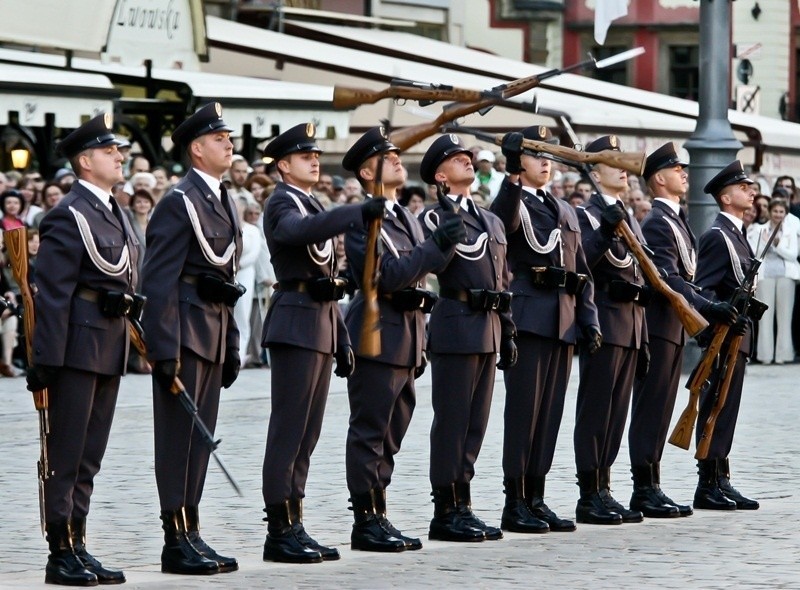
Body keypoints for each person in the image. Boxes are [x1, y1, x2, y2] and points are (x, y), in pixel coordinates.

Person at [260, 122, 385, 564]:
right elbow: (296, 234)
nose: (315, 160)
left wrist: (341, 335)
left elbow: (328, 280)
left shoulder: (310, 201)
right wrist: (356, 212)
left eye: (315, 154)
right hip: (294, 323)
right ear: (283, 165)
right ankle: (279, 529)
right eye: (304, 156)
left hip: (318, 323)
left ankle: (295, 521)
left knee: (307, 435)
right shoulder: (281, 203)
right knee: (289, 431)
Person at [26, 112, 139, 585]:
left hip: (109, 343)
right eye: (110, 151)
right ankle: (60, 553)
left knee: (90, 456)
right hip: (74, 348)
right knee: (66, 454)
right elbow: (51, 293)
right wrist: (45, 360)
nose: (119, 156)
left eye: (119, 150)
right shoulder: (66, 214)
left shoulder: (116, 211)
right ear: (85, 161)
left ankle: (79, 541)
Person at [340, 127, 463, 552]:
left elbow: (419, 266)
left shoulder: (405, 216)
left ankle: (380, 511)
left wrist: (442, 244)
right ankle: (365, 519)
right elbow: (385, 276)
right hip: (378, 333)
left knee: (393, 431)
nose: (397, 160)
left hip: (408, 333)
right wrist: (435, 247)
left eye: (395, 155)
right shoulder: (364, 218)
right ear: (366, 170)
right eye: (386, 157)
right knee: (370, 430)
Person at [141, 102, 243, 576]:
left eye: (228, 137)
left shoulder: (224, 199)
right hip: (184, 333)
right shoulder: (177, 201)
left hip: (213, 331)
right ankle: (173, 539)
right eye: (219, 138)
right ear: (197, 149)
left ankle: (192, 530)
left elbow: (229, 276)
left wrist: (234, 341)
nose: (229, 143)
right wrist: (163, 348)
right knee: (179, 439)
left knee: (199, 444)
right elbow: (157, 280)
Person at [490, 127, 600, 534]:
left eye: (547, 154)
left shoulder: (564, 209)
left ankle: (535, 496)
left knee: (549, 415)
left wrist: (589, 320)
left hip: (563, 321)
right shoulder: (514, 201)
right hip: (529, 319)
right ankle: (514, 501)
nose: (545, 161)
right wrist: (510, 175)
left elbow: (581, 272)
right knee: (524, 414)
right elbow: (497, 226)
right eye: (536, 154)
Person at [627, 143, 738, 519]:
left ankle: (653, 484)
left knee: (661, 408)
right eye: (677, 169)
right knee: (650, 407)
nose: (684, 174)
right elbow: (669, 278)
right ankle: (644, 487)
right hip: (659, 326)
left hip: (673, 327)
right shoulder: (657, 221)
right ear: (659, 178)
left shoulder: (676, 219)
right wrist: (706, 307)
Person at [419, 134, 515, 543]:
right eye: (457, 160)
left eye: (468, 158)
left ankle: (464, 503)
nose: (467, 163)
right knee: (452, 422)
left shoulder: (490, 220)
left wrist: (508, 329)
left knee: (475, 424)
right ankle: (445, 509)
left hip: (488, 326)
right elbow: (434, 263)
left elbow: (502, 278)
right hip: (456, 322)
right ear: (440, 175)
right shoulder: (432, 216)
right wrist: (446, 225)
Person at [573, 135, 648, 525]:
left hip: (632, 325)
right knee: (596, 410)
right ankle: (589, 493)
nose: (623, 167)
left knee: (617, 413)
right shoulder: (588, 214)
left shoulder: (631, 215)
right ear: (594, 169)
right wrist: (604, 229)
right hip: (603, 319)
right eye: (613, 161)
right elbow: (580, 261)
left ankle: (605, 486)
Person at [692, 160, 761, 511]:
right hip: (723, 338)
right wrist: (718, 319)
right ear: (726, 196)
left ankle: (721, 477)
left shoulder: (737, 236)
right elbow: (702, 290)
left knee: (727, 408)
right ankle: (707, 482)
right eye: (743, 187)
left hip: (738, 337)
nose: (751, 191)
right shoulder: (717, 236)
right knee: (716, 405)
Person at [749, 198, 799, 364]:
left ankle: (783, 356)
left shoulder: (791, 230)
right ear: (770, 212)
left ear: (785, 214)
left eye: (781, 212)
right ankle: (765, 356)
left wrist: (777, 246)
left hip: (786, 276)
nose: (778, 214)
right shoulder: (759, 229)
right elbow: (756, 253)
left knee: (785, 317)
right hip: (765, 276)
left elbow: (793, 255)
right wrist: (766, 243)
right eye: (775, 211)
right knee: (765, 317)